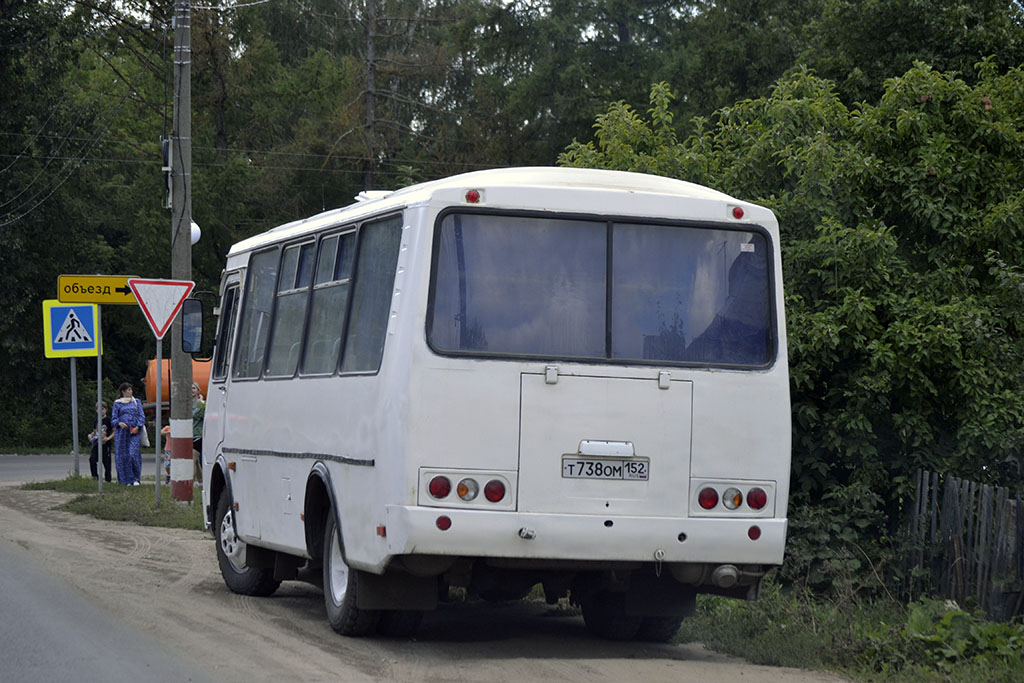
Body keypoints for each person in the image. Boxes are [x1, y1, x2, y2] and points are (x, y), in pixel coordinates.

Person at [112, 382, 145, 486]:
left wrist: (138, 426)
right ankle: (125, 479)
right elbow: (113, 418)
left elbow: (141, 416)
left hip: (134, 431)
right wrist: (119, 423)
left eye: (131, 389)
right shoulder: (117, 403)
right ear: (123, 391)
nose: (131, 392)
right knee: (123, 456)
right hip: (122, 433)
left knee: (133, 454)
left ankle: (136, 478)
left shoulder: (136, 402)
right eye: (128, 390)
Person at [88, 401, 114, 482]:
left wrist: (108, 438)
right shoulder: (96, 421)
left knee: (106, 462)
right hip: (97, 444)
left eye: (102, 409)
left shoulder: (108, 420)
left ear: (106, 410)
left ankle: (108, 480)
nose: (101, 411)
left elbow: (115, 431)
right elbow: (95, 432)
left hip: (106, 444)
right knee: (92, 459)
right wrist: (91, 435)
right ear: (96, 410)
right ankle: (95, 477)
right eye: (99, 409)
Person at [192, 382, 205, 485]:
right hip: (188, 435)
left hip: (198, 435)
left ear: (198, 391)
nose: (191, 390)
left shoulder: (201, 404)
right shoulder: (186, 404)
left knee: (192, 458)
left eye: (193, 388)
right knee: (196, 462)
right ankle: (201, 482)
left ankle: (189, 483)